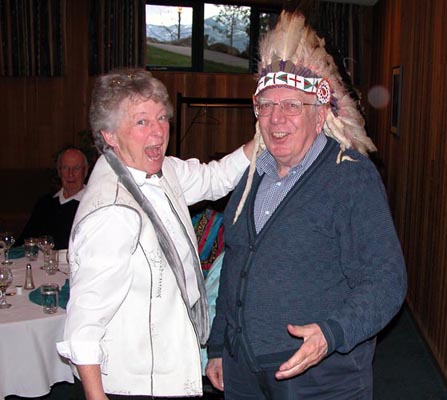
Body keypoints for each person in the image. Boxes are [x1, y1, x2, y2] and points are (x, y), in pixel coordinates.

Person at [206, 10, 407, 400]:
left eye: (292, 106)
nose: (276, 118)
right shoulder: (251, 178)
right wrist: (218, 346)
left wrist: (331, 334)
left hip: (319, 377)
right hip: (243, 366)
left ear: (319, 116)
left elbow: (387, 280)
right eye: (266, 105)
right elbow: (233, 265)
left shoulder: (350, 178)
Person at [56, 68, 254, 400]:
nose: (159, 131)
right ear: (110, 135)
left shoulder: (161, 172)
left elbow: (215, 178)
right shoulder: (113, 213)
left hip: (166, 366)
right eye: (141, 122)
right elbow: (83, 323)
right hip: (132, 385)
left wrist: (266, 131)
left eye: (162, 118)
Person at [16, 148, 88, 250]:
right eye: (65, 168)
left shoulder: (93, 205)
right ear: (59, 172)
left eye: (76, 168)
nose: (70, 174)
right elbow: (25, 239)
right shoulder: (45, 203)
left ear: (85, 171)